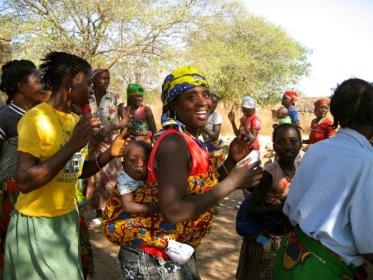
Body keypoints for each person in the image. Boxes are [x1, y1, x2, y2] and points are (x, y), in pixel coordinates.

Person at [104, 66, 262, 279]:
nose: (202, 102)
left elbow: (199, 191)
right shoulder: (173, 143)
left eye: (205, 94)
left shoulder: (191, 140)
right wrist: (232, 183)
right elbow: (174, 211)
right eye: (191, 97)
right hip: (154, 255)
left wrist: (232, 160)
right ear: (174, 105)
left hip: (172, 250)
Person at [3, 52, 127, 279]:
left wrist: (110, 154)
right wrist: (73, 145)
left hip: (66, 220)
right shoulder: (35, 119)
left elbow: (76, 170)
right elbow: (24, 181)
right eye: (88, 83)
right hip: (38, 224)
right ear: (70, 83)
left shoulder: (73, 119)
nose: (91, 90)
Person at [273, 78, 373, 279]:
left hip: (291, 258)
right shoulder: (367, 161)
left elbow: (290, 208)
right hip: (327, 269)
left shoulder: (317, 150)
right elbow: (368, 244)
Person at [236, 124, 302, 280]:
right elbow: (251, 210)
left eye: (293, 141)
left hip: (287, 236)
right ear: (274, 146)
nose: (288, 147)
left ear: (300, 144)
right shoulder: (269, 174)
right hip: (266, 237)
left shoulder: (300, 168)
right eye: (281, 142)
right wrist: (279, 209)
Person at [0, 60, 43, 272]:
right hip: (11, 194)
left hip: (38, 191)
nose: (42, 86)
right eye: (37, 81)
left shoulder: (42, 117)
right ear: (20, 86)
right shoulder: (5, 117)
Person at [85, 69, 126, 224]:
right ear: (94, 80)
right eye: (102, 78)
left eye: (107, 78)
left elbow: (125, 118)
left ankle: (112, 210)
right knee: (95, 176)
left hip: (111, 142)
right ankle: (98, 211)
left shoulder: (115, 97)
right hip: (91, 142)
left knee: (113, 176)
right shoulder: (85, 97)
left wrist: (111, 128)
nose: (105, 81)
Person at [228, 96, 261, 163]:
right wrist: (232, 122)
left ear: (252, 109)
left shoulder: (255, 120)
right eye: (243, 109)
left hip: (252, 151)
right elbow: (238, 134)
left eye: (246, 110)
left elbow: (252, 139)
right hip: (242, 150)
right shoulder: (244, 118)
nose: (244, 112)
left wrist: (246, 126)